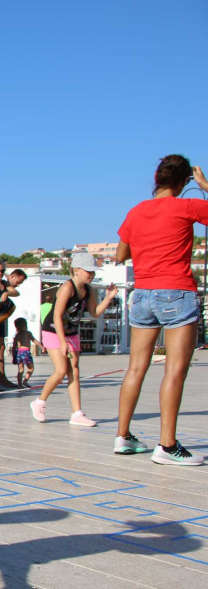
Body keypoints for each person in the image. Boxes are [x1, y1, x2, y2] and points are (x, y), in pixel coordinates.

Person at [115, 156, 208, 463]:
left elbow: (120, 254)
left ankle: (123, 437)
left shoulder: (136, 211)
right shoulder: (186, 206)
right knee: (174, 370)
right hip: (176, 291)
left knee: (136, 368)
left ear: (156, 178)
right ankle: (167, 446)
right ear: (184, 181)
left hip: (142, 293)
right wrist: (205, 186)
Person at [30, 253, 117, 427]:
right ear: (76, 270)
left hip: (71, 332)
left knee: (74, 370)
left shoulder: (88, 290)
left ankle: (77, 413)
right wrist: (63, 342)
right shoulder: (67, 288)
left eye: (93, 271)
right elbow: (56, 315)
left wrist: (108, 298)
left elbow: (94, 313)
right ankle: (39, 402)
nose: (91, 274)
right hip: (54, 331)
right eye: (88, 271)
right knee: (61, 370)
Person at [11, 317, 43, 388]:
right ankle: (25, 381)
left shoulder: (17, 335)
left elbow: (13, 347)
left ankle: (19, 385)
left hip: (19, 352)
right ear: (25, 325)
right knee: (31, 368)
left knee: (20, 369)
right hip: (26, 352)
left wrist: (14, 356)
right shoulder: (28, 333)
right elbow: (34, 340)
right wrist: (41, 346)